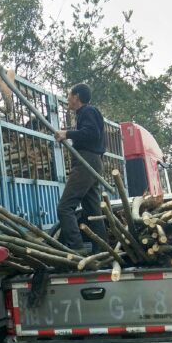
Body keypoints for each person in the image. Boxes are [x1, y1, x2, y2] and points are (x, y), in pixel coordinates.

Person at [55, 83, 107, 251]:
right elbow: (90, 133)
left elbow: (92, 134)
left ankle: (75, 248)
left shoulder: (88, 111)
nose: (68, 98)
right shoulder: (85, 114)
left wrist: (67, 134)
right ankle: (103, 249)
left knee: (65, 207)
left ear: (76, 96)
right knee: (93, 212)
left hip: (87, 162)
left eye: (69, 95)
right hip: (92, 162)